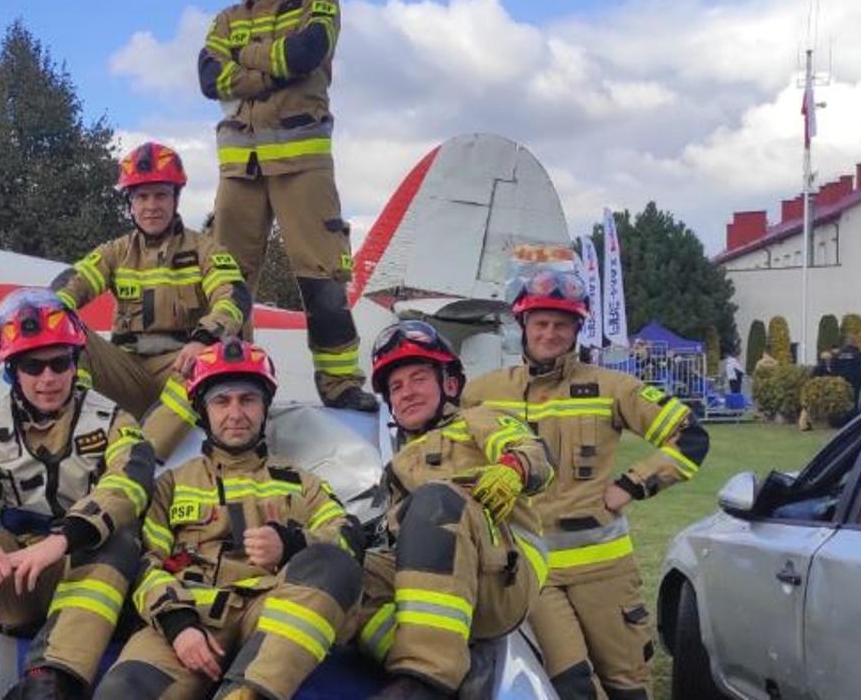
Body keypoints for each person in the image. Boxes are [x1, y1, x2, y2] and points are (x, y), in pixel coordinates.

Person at [461, 268, 710, 700]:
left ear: (577, 330)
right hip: (534, 573)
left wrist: (632, 484)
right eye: (541, 323)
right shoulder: (483, 392)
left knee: (627, 685)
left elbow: (690, 437)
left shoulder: (612, 387)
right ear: (523, 325)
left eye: (561, 324)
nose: (550, 333)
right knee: (573, 685)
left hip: (604, 572)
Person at [0, 289, 156, 700]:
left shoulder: (114, 421)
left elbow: (129, 484)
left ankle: (51, 678)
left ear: (75, 363)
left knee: (118, 536)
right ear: (12, 371)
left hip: (79, 572)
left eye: (60, 363)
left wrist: (63, 539)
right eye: (32, 366)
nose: (48, 378)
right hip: (16, 576)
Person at [97, 339, 364, 700]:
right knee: (121, 692)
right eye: (221, 401)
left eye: (248, 399)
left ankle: (244, 692)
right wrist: (178, 625)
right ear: (203, 411)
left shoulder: (302, 482)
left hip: (272, 618)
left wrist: (292, 544)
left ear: (264, 407)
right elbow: (144, 562)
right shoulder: (170, 484)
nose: (235, 413)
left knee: (333, 564)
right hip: (192, 614)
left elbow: (349, 539)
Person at [197, 0, 376, 412]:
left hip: (304, 168)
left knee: (322, 277)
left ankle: (339, 383)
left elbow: (304, 54)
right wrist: (271, 68)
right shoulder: (224, 18)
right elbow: (209, 77)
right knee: (226, 278)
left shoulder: (319, 2)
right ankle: (231, 376)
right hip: (240, 170)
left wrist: (245, 58)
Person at [352, 320, 553, 698]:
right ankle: (456, 663)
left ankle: (425, 679)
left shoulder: (478, 419)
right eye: (396, 387)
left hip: (499, 576)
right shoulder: (399, 464)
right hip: (440, 578)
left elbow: (534, 452)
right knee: (345, 570)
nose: (407, 392)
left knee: (435, 500)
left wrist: (513, 469)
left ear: (448, 384)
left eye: (418, 379)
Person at [52, 141, 252, 455]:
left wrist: (204, 338)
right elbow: (74, 282)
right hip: (126, 370)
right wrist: (51, 309)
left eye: (161, 195)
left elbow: (233, 296)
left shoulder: (205, 250)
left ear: (176, 199)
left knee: (211, 358)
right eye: (141, 197)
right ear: (130, 204)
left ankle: (140, 459)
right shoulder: (115, 252)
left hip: (181, 366)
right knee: (65, 338)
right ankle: (68, 443)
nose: (151, 206)